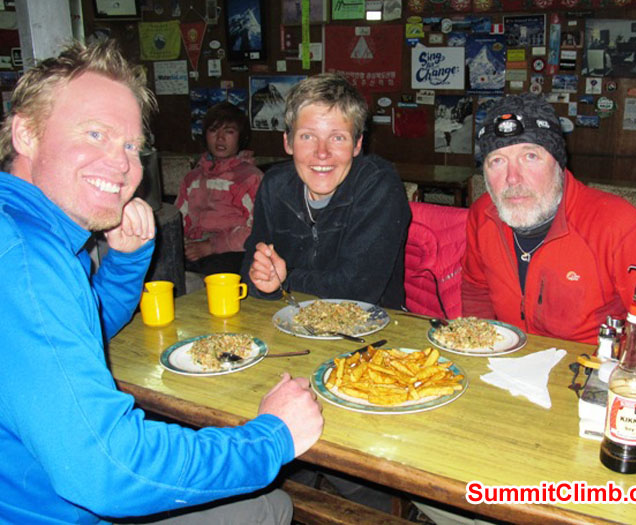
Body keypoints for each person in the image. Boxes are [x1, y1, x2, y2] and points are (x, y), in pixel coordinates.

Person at [0, 40, 323, 523]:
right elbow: (109, 469)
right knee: (269, 508)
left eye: (131, 146)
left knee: (267, 502)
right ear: (26, 133)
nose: (123, 164)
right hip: (52, 508)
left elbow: (79, 334)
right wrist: (272, 435)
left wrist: (126, 262)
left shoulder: (28, 238)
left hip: (34, 484)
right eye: (95, 133)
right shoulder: (24, 260)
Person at [462, 93, 636, 361]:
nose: (513, 178)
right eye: (497, 161)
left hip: (594, 379)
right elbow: (476, 288)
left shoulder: (623, 229)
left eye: (530, 156)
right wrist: (480, 353)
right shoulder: (483, 214)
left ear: (559, 163)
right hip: (507, 373)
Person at [241, 73, 410, 309]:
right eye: (307, 136)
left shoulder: (379, 186)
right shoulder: (274, 186)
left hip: (370, 329)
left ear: (357, 145)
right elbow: (250, 269)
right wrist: (265, 282)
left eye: (338, 138)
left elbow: (356, 291)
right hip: (290, 319)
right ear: (288, 143)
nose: (322, 152)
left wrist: (285, 279)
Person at [175, 102, 263, 275]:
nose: (220, 138)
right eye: (214, 130)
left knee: (215, 271)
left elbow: (258, 229)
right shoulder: (192, 178)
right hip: (194, 249)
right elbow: (179, 219)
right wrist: (181, 243)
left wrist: (212, 246)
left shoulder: (251, 178)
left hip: (232, 252)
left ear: (241, 138)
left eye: (229, 132)